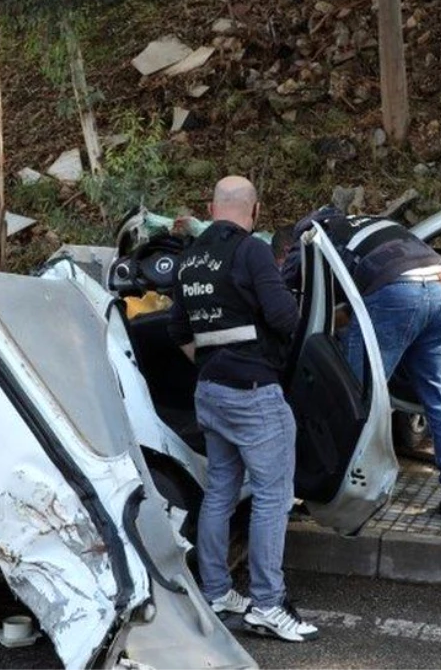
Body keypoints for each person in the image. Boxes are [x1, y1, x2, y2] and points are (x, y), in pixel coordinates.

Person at [167, 176, 318, 643]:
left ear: (211, 207)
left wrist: (215, 361)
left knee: (220, 492)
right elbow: (283, 316)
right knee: (274, 495)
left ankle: (215, 591)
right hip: (253, 391)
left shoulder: (189, 258)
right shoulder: (252, 250)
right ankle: (269, 605)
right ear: (253, 211)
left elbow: (178, 329)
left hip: (209, 390)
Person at [282, 205, 441, 526]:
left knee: (352, 402)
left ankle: (339, 497)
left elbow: (288, 289)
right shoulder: (369, 224)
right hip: (440, 286)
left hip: (395, 293)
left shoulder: (314, 234)